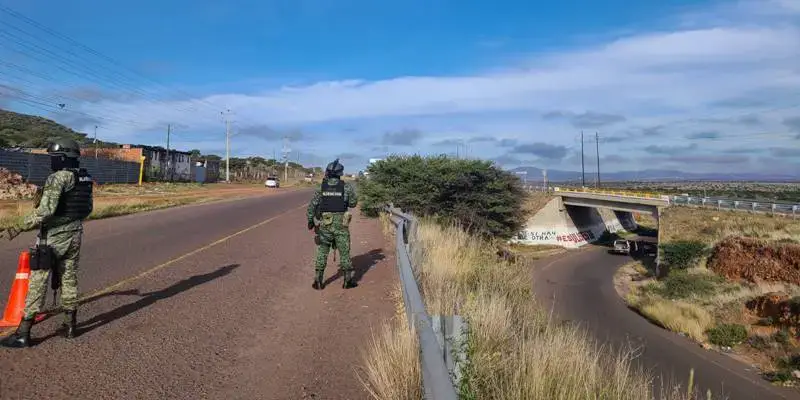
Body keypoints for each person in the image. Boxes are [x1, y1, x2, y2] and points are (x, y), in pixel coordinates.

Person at [1, 138, 93, 348]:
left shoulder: (58, 178)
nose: (52, 161)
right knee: (69, 277)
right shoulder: (84, 177)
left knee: (38, 281)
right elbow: (88, 209)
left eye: (54, 157)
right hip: (75, 233)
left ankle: (23, 333)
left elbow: (45, 211)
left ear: (63, 157)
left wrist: (16, 227)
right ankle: (70, 326)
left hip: (53, 237)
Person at [306, 158, 358, 290]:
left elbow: (312, 206)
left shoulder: (321, 187)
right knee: (344, 252)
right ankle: (347, 281)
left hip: (325, 225)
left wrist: (310, 221)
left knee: (322, 251)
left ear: (328, 173)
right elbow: (353, 203)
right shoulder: (346, 187)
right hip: (341, 225)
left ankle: (318, 281)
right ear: (340, 173)